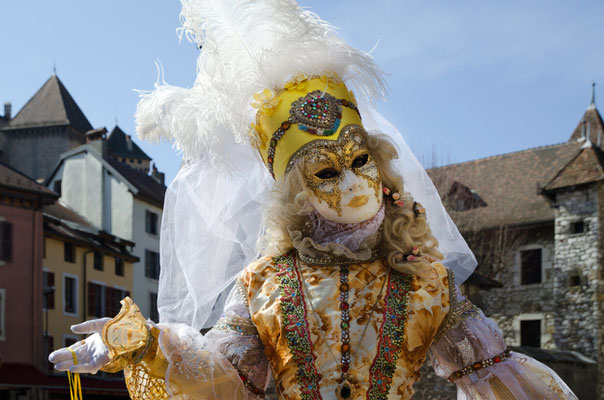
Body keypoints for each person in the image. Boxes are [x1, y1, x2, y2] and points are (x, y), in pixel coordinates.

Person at [49, 1, 577, 399]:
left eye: (361, 160)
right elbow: (224, 380)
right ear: (296, 195)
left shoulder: (425, 278)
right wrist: (141, 345)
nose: (351, 181)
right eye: (325, 171)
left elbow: (497, 378)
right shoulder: (263, 284)